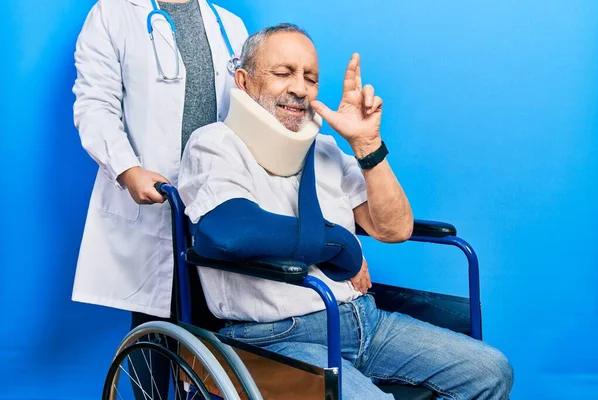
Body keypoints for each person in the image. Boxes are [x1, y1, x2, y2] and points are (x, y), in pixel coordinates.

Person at [178, 24, 514, 399]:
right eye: (283, 73)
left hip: (364, 320)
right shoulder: (215, 143)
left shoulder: (325, 150)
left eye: (310, 78)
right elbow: (229, 232)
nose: (300, 89)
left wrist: (366, 144)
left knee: (490, 370)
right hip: (276, 337)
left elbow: (395, 229)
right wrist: (340, 242)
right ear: (243, 80)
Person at [71, 0, 248, 397]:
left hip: (218, 209)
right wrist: (127, 169)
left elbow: (251, 111)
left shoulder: (230, 25)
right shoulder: (113, 13)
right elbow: (94, 104)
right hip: (156, 206)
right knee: (155, 337)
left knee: (218, 346)